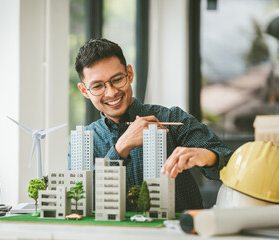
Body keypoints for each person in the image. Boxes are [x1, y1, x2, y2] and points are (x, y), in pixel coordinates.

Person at [68, 38, 233, 212]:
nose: (111, 92)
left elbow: (232, 162)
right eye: (98, 86)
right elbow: (78, 197)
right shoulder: (84, 140)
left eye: (117, 79)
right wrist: (121, 147)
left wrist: (209, 157)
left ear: (129, 74)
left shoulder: (171, 118)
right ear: (85, 91)